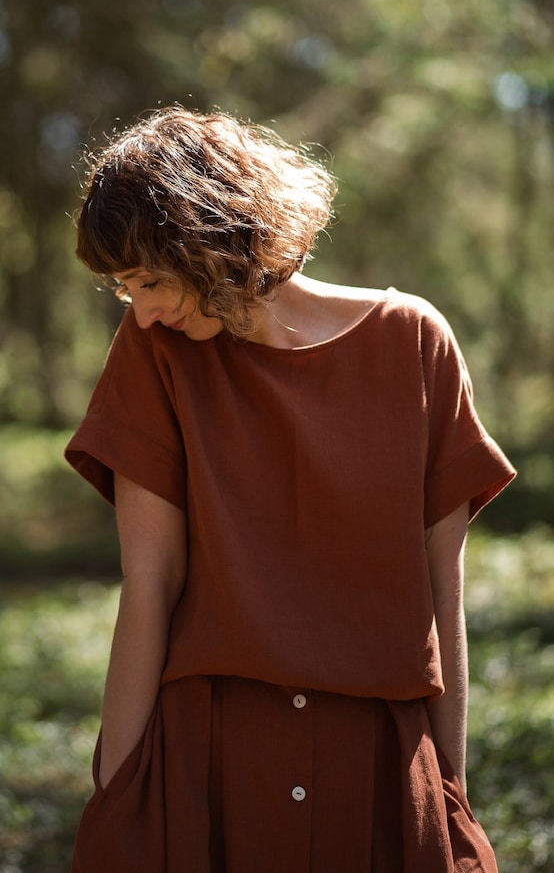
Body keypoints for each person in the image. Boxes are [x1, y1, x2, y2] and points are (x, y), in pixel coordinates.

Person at [64, 106, 515, 873]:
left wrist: (448, 789)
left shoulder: (414, 341)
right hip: (207, 766)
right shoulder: (156, 353)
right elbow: (151, 580)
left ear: (207, 242)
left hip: (380, 766)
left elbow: (444, 588)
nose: (140, 310)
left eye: (148, 280)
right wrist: (116, 788)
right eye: (123, 289)